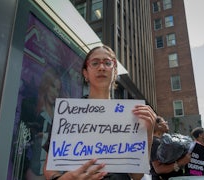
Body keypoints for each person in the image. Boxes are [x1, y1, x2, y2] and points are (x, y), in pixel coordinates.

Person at [43, 45, 156, 180]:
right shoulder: (67, 114)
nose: (101, 67)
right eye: (95, 63)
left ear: (115, 72)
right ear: (85, 73)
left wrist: (148, 133)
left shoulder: (131, 116)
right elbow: (50, 169)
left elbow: (137, 175)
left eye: (107, 63)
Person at [20, 67, 63, 180]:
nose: (55, 93)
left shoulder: (61, 116)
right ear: (45, 85)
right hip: (34, 173)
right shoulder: (31, 109)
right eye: (53, 86)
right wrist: (27, 172)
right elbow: (20, 144)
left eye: (58, 90)